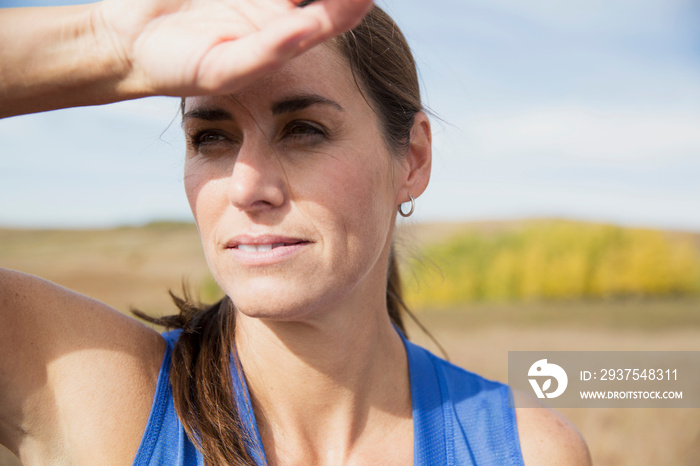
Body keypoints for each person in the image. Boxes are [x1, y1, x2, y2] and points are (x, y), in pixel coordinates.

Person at [0, 0, 592, 464]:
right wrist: (112, 43)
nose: (246, 185)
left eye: (304, 129)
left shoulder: (525, 451)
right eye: (211, 137)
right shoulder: (105, 399)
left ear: (411, 159)